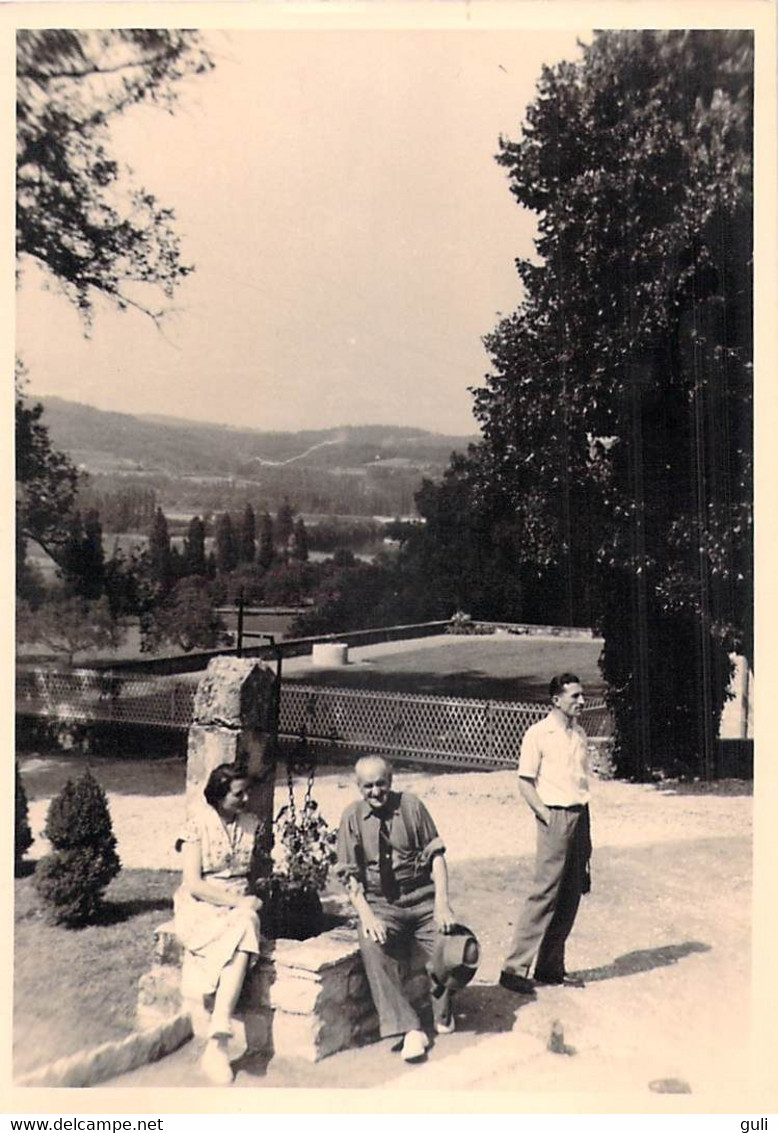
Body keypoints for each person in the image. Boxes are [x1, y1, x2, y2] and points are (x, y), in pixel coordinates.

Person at [335, 755, 458, 1062]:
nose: (375, 792)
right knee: (373, 945)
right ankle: (409, 1029)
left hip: (422, 899)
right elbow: (349, 875)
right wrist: (367, 915)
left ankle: (441, 1006)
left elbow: (437, 857)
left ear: (390, 781)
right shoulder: (351, 817)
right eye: (368, 786)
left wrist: (442, 904)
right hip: (381, 904)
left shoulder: (412, 807)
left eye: (381, 784)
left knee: (460, 946)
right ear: (358, 786)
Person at [499, 673, 592, 995]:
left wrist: (584, 825)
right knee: (545, 893)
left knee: (572, 891)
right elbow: (525, 782)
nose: (582, 702)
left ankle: (551, 968)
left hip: (580, 815)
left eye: (582, 696)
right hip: (555, 815)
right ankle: (513, 969)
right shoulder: (538, 734)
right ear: (556, 700)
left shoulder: (578, 733)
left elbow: (580, 784)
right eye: (575, 696)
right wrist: (546, 816)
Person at [174, 763, 263, 1085]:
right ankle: (220, 1031)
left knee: (246, 922)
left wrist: (253, 896)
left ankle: (218, 1039)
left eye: (247, 791)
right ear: (219, 795)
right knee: (246, 922)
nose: (246, 798)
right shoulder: (196, 826)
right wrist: (239, 903)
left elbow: (257, 873)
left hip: (237, 909)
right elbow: (194, 884)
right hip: (201, 906)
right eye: (238, 793)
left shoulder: (252, 824)